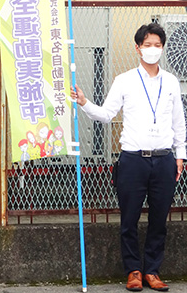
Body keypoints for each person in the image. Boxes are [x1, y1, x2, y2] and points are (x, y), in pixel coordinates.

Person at [71, 23, 185, 292]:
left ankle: (152, 271)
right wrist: (85, 102)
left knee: (159, 219)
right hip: (133, 160)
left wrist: (181, 156)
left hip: (164, 158)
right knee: (129, 218)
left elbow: (179, 122)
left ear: (163, 47)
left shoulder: (170, 81)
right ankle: (134, 271)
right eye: (147, 45)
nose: (152, 50)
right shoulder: (124, 80)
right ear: (138, 48)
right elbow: (107, 114)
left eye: (157, 45)